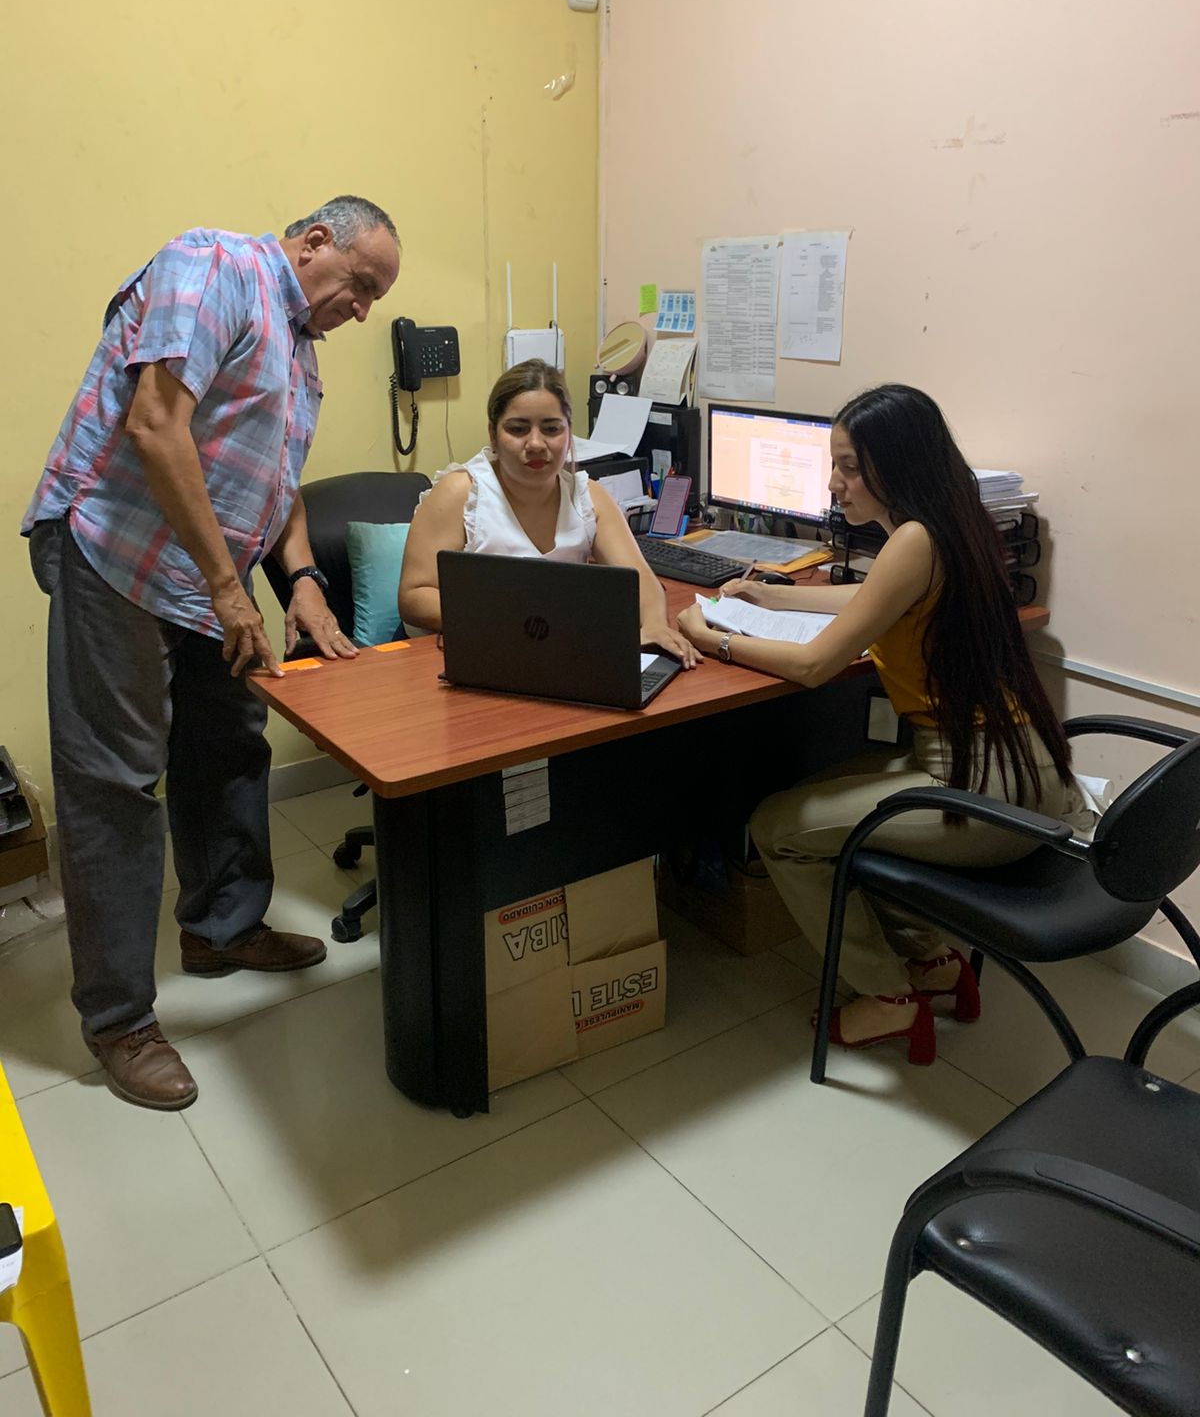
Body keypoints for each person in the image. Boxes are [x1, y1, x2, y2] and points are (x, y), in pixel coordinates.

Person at [23, 196, 401, 1110]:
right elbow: (156, 426)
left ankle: (222, 930)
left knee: (230, 742)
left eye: (374, 300)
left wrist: (300, 579)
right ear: (316, 241)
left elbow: (276, 480)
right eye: (361, 285)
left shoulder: (300, 350)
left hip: (203, 579)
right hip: (119, 557)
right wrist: (233, 592)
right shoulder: (216, 266)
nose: (362, 311)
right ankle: (119, 1020)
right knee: (116, 782)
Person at [677, 383, 1091, 1064]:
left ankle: (887, 997)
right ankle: (931, 964)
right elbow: (876, 596)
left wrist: (712, 636)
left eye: (848, 466)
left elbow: (815, 666)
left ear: (896, 464)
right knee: (830, 804)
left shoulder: (913, 540)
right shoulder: (950, 525)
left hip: (982, 787)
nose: (832, 484)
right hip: (1024, 767)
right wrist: (773, 596)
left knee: (778, 828)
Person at [398, 358, 698, 668]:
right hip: (468, 655)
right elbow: (413, 595)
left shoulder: (588, 496)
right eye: (518, 429)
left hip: (557, 653)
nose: (536, 444)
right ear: (493, 434)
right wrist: (506, 619)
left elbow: (640, 579)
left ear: (569, 435)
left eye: (552, 429)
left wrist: (654, 624)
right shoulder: (461, 493)